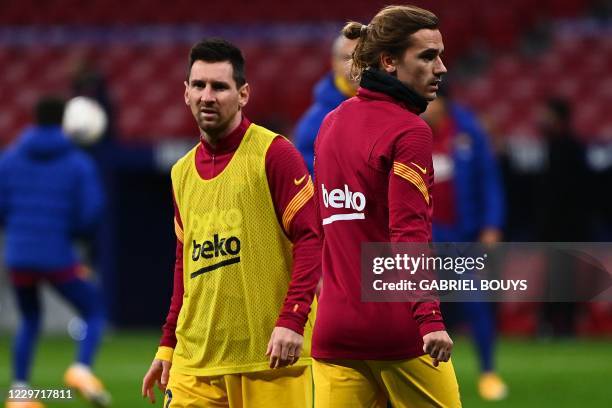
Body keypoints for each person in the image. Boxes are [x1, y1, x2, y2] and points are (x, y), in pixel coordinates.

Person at [141, 39, 320, 407]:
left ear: (243, 95)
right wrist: (168, 344)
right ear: (186, 93)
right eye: (199, 85)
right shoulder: (181, 172)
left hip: (269, 357)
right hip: (196, 361)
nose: (208, 96)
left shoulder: (276, 153)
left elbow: (311, 238)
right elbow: (184, 265)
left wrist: (293, 319)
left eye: (220, 86)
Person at [312, 5, 461, 408]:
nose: (441, 67)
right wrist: (428, 317)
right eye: (428, 56)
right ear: (389, 61)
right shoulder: (410, 130)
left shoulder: (331, 123)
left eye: (440, 55)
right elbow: (409, 232)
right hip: (399, 331)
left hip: (334, 332)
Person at [0, 97, 108, 408]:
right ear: (64, 121)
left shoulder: (10, 158)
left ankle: (20, 393)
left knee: (30, 318)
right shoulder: (78, 162)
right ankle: (81, 369)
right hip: (57, 255)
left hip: (19, 255)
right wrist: (71, 234)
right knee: (94, 310)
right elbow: (91, 212)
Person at [422, 88, 508, 401]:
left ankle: (488, 373)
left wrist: (491, 225)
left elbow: (490, 182)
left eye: (431, 102)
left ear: (444, 103)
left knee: (476, 303)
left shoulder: (468, 131)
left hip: (461, 239)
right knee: (421, 310)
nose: (425, 107)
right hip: (421, 239)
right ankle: (426, 375)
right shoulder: (407, 130)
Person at [294, 34, 358, 173]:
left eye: (362, 57)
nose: (354, 65)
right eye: (346, 58)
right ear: (333, 63)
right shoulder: (315, 121)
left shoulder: (394, 106)